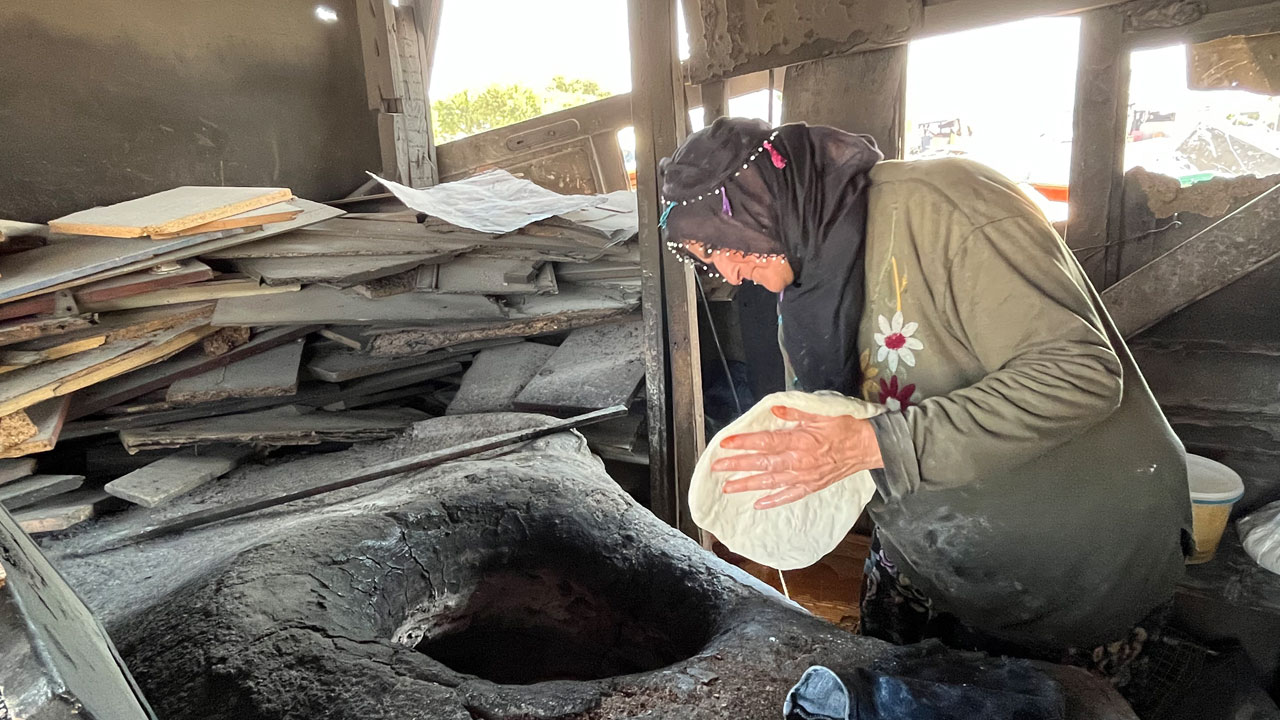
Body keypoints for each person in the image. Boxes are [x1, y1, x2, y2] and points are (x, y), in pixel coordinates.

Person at [658, 118, 1194, 706]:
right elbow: (844, 415)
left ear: (763, 202)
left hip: (1065, 558)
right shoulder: (807, 279)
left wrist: (872, 446)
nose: (730, 274)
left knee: (1043, 705)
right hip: (927, 553)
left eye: (720, 246)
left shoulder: (946, 207)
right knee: (895, 699)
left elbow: (1079, 375)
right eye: (705, 261)